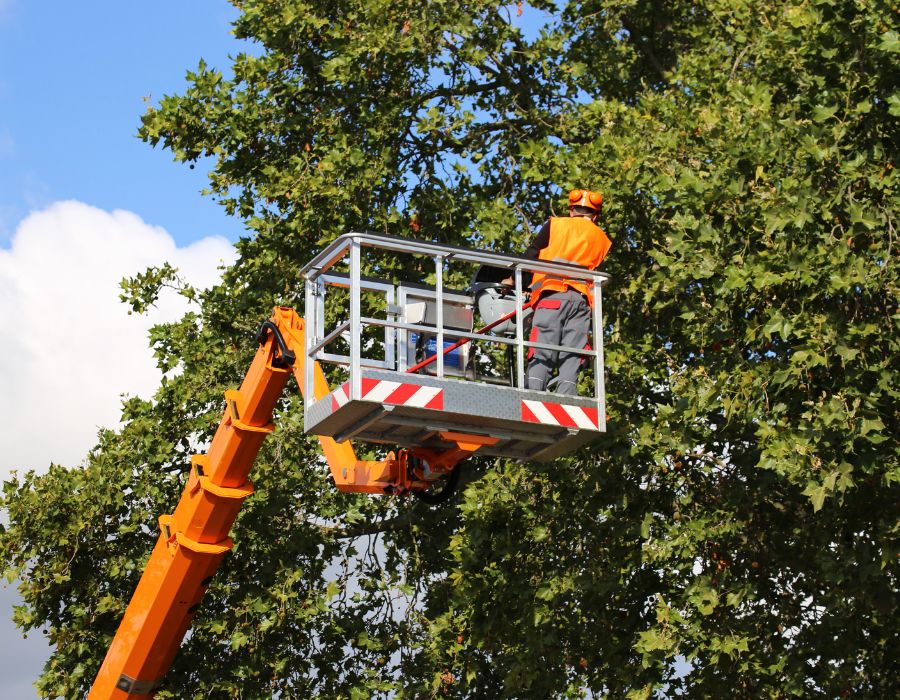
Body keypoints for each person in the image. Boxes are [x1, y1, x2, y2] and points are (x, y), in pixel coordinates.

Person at [523, 189, 612, 395]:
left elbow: (531, 256)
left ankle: (534, 392)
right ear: (595, 216)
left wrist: (520, 283)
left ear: (571, 211)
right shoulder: (602, 238)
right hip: (581, 300)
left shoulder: (556, 224)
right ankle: (567, 395)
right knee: (574, 350)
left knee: (543, 344)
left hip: (552, 295)